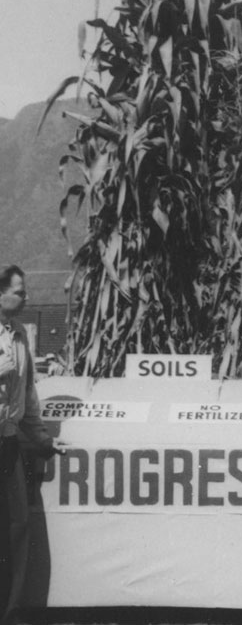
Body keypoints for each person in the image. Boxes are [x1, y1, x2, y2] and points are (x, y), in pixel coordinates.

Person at [0, 266, 62, 625]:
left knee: (17, 528)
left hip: (8, 444)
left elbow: (28, 396)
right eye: (21, 292)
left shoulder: (20, 334)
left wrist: (43, 441)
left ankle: (10, 614)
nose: (27, 299)